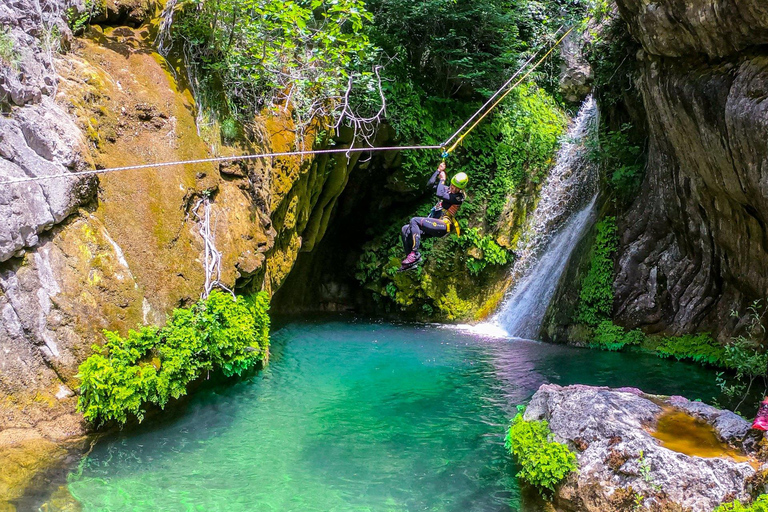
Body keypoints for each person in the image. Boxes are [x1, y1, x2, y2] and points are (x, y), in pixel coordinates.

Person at [399, 162, 468, 271]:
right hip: (434, 223)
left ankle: (414, 254)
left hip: (444, 225)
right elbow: (429, 185)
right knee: (405, 229)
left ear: (461, 189)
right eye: (453, 186)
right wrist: (438, 171)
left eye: (457, 188)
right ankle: (411, 261)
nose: (454, 189)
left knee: (414, 220)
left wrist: (442, 180)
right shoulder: (446, 189)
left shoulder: (458, 198)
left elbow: (440, 194)